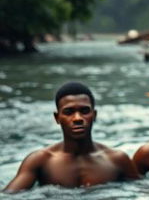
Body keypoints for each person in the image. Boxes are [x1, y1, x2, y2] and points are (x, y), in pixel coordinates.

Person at [4, 81, 138, 192]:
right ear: (57, 118)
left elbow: (141, 194)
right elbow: (8, 199)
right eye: (69, 112)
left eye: (84, 111)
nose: (77, 118)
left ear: (94, 115)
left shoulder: (117, 160)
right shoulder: (41, 161)